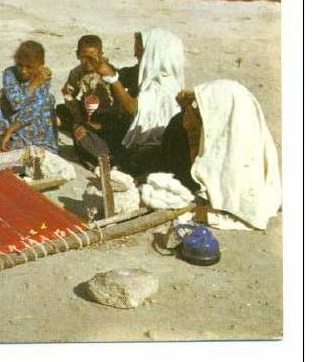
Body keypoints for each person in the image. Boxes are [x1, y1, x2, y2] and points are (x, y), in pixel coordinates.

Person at [156, 80, 280, 230]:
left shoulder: (240, 158)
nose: (194, 113)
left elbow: (246, 211)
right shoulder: (193, 126)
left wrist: (202, 212)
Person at [90, 28, 185, 174]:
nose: (135, 54)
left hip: (151, 149)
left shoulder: (163, 85)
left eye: (139, 49)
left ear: (154, 53)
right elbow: (123, 74)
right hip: (137, 136)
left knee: (85, 134)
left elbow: (133, 109)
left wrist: (112, 79)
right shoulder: (148, 73)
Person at [56, 34, 133, 166]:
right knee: (62, 112)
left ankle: (104, 156)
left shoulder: (107, 71)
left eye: (93, 56)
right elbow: (69, 94)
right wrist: (78, 117)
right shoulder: (76, 73)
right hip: (89, 111)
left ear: (101, 54)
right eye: (84, 57)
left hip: (110, 116)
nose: (88, 61)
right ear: (77, 55)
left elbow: (120, 101)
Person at [0, 40, 58, 154]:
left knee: (47, 100)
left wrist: (10, 131)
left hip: (25, 123)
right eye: (20, 65)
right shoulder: (9, 73)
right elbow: (16, 103)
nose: (23, 70)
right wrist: (34, 84)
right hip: (8, 119)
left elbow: (34, 109)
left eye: (29, 67)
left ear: (40, 65)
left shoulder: (43, 76)